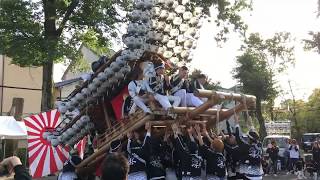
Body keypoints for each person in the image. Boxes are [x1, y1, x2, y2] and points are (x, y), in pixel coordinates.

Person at [234, 112, 263, 180]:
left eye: (248, 138)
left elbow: (237, 138)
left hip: (250, 176)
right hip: (259, 176)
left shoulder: (246, 147)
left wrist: (236, 123)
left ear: (249, 139)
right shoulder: (260, 145)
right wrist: (251, 124)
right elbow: (255, 135)